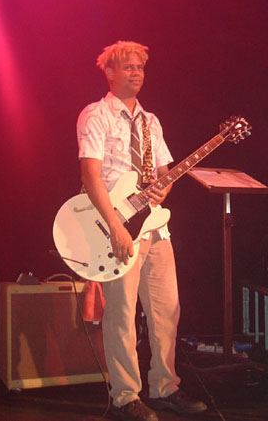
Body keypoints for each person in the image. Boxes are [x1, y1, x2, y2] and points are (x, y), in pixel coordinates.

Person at [76, 41, 207, 421]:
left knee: (167, 312)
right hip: (116, 227)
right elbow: (90, 174)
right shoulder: (96, 115)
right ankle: (126, 396)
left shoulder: (152, 122)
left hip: (154, 227)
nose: (136, 73)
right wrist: (115, 226)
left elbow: (165, 170)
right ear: (110, 72)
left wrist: (165, 184)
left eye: (140, 68)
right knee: (121, 315)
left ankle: (165, 387)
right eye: (129, 67)